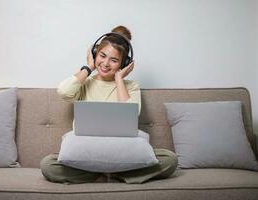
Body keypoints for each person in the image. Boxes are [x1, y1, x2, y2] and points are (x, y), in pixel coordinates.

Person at [40, 25, 178, 184]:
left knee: (170, 159)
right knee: (48, 165)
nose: (105, 63)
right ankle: (113, 175)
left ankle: (102, 175)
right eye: (102, 56)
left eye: (114, 60)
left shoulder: (131, 86)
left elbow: (131, 116)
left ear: (123, 63)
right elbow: (64, 92)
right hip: (88, 152)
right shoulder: (84, 83)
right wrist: (89, 67)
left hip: (122, 153)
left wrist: (119, 79)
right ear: (94, 54)